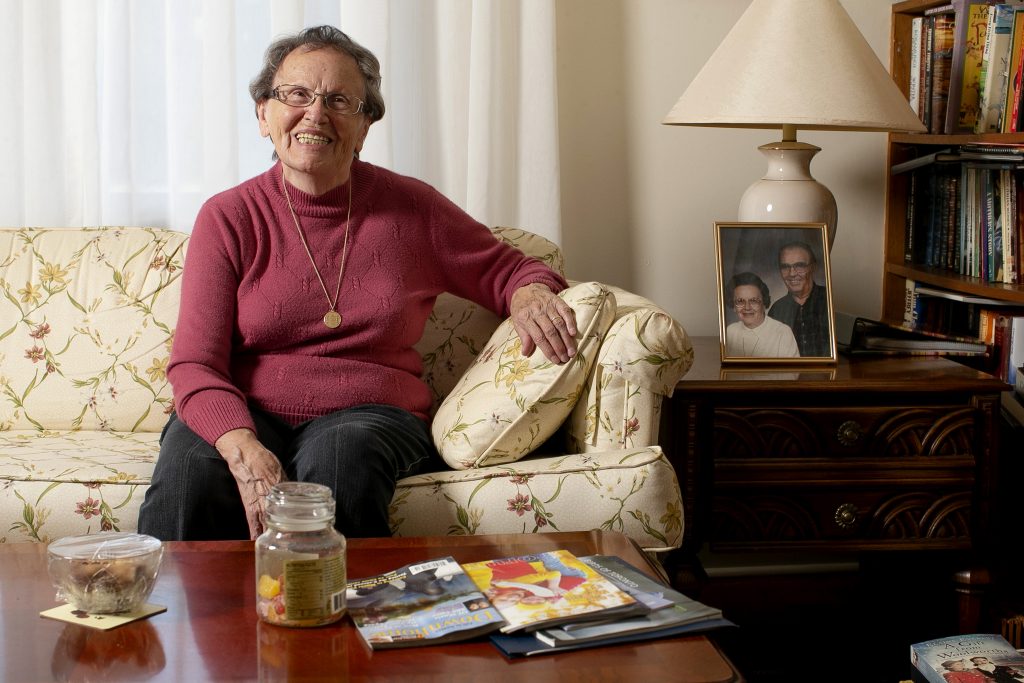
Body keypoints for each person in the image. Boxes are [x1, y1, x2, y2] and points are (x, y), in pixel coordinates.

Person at [138, 25, 578, 542]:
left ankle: (341, 617)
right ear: (263, 114)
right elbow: (195, 363)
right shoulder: (229, 216)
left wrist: (530, 293)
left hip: (369, 415)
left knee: (339, 459)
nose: (315, 114)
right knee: (191, 474)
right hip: (246, 408)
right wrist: (242, 446)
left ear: (365, 126)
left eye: (340, 100)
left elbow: (509, 269)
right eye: (296, 95)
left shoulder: (413, 209)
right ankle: (185, 622)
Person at [767, 241, 831, 357]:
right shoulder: (776, 310)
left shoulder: (829, 300)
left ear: (812, 267)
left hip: (826, 372)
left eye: (799, 265)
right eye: (785, 267)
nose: (792, 273)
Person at [724, 272, 799, 358]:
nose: (747, 307)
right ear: (733, 306)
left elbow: (791, 370)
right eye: (740, 301)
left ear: (764, 304)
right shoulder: (729, 332)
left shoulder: (782, 333)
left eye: (753, 300)